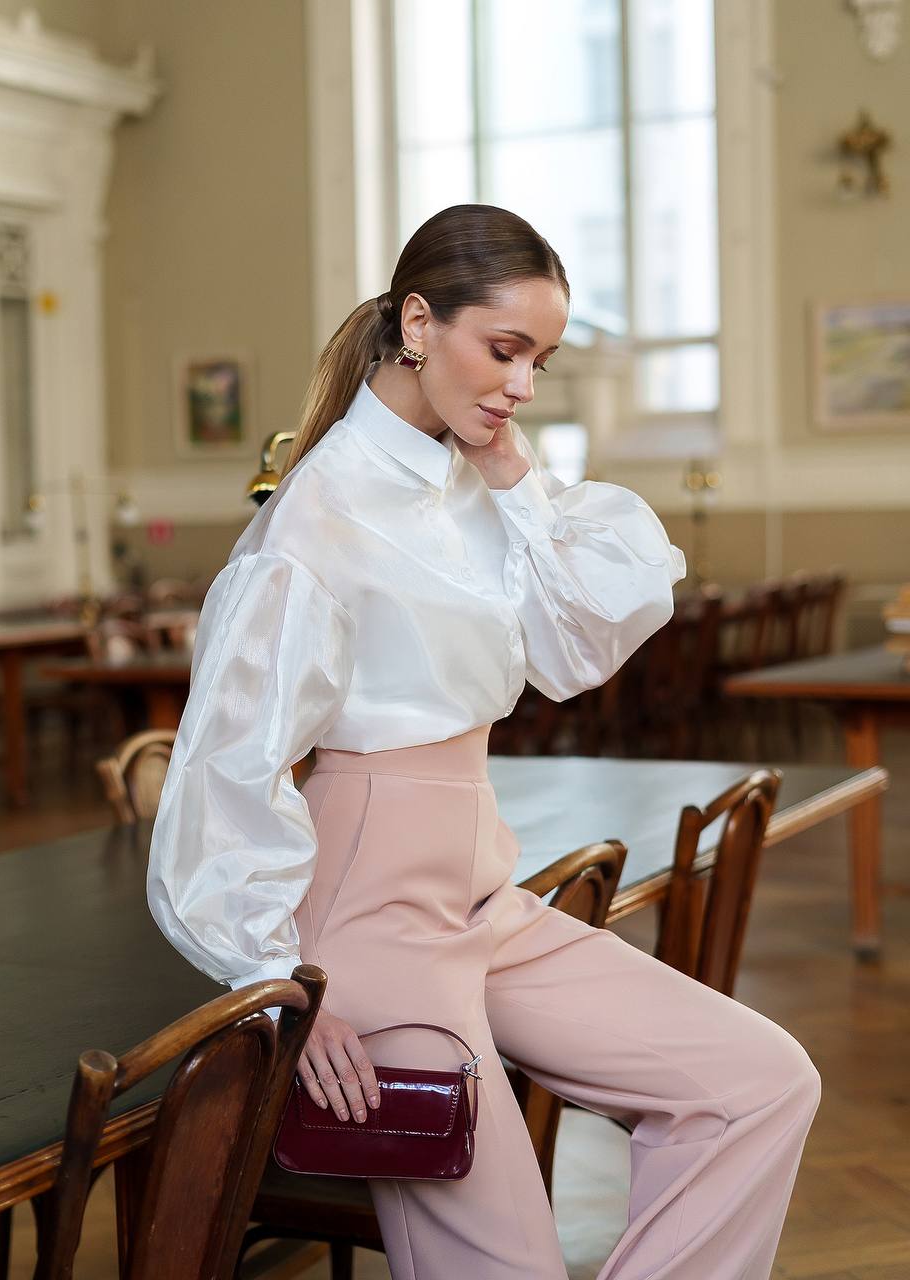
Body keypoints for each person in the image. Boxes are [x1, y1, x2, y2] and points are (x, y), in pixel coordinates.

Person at [147, 204, 820, 1279]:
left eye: (539, 360)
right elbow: (224, 768)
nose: (521, 385)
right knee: (501, 1265)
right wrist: (279, 976)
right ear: (419, 322)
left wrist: (514, 478)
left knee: (758, 1079)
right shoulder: (313, 520)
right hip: (366, 928)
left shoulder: (476, 476)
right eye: (503, 350)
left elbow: (575, 643)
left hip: (486, 895)